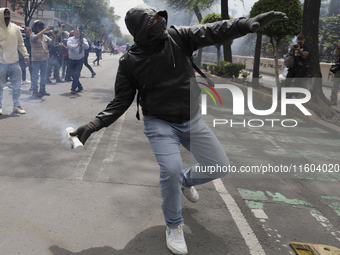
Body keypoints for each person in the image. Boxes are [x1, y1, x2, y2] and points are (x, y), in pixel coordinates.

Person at [70, 5, 287, 254]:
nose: (162, 24)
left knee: (220, 166)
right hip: (159, 123)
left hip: (191, 119)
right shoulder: (129, 61)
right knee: (170, 170)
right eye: (154, 23)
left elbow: (213, 30)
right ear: (141, 32)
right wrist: (93, 124)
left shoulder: (178, 36)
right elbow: (121, 101)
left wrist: (246, 24)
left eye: (161, 19)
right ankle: (174, 225)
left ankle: (186, 180)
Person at [0, 8, 29, 115]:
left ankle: (16, 106)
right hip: (1, 63)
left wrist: (26, 55)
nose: (7, 16)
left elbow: (20, 44)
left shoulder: (16, 28)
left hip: (14, 62)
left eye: (8, 14)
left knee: (17, 86)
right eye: (4, 14)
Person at [30, 20, 51, 97]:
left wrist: (55, 36)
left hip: (44, 59)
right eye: (39, 28)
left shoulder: (45, 36)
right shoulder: (32, 35)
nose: (40, 29)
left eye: (41, 28)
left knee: (44, 75)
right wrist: (45, 30)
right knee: (35, 76)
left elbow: (51, 42)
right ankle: (35, 91)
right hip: (36, 59)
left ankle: (42, 90)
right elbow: (35, 38)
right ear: (35, 28)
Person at [67, 28, 89, 94]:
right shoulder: (70, 39)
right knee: (71, 74)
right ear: (74, 33)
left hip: (79, 60)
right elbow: (70, 46)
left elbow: (87, 47)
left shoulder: (83, 40)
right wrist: (77, 45)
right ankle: (79, 86)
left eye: (79, 32)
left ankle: (73, 89)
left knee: (76, 74)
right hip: (71, 59)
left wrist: (82, 42)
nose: (78, 33)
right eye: (77, 32)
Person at [330, 41, 340, 106]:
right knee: (335, 85)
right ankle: (333, 100)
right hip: (339, 69)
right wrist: (338, 47)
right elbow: (335, 54)